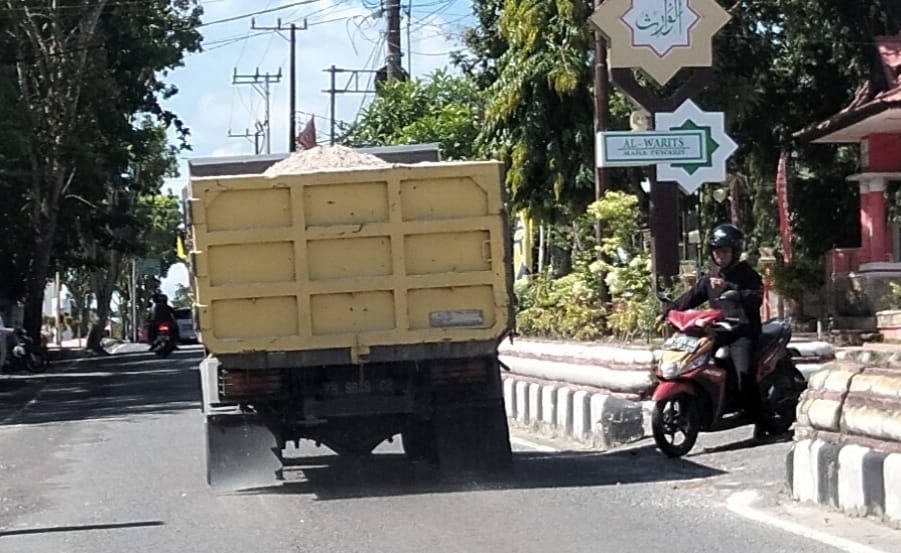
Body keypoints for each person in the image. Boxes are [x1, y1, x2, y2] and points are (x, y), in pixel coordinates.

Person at [660, 223, 765, 425]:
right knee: (692, 357)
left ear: (735, 252)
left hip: (743, 331)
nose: (720, 256)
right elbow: (692, 296)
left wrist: (731, 287)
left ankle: (761, 421)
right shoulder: (712, 275)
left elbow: (756, 297)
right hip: (719, 330)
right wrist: (669, 310)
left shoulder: (747, 274)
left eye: (724, 251)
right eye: (716, 251)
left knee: (744, 373)